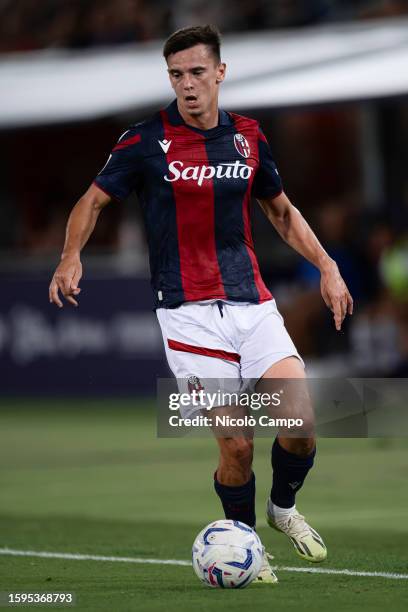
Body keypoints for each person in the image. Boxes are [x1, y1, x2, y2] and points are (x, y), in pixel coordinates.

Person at [49, 25, 353, 584]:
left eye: (195, 72)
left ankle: (282, 509)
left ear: (220, 72)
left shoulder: (249, 136)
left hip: (252, 303)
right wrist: (71, 255)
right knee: (237, 443)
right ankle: (248, 547)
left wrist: (328, 266)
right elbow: (92, 202)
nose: (186, 85)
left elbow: (281, 212)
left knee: (302, 421)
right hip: (187, 310)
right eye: (175, 75)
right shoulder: (144, 139)